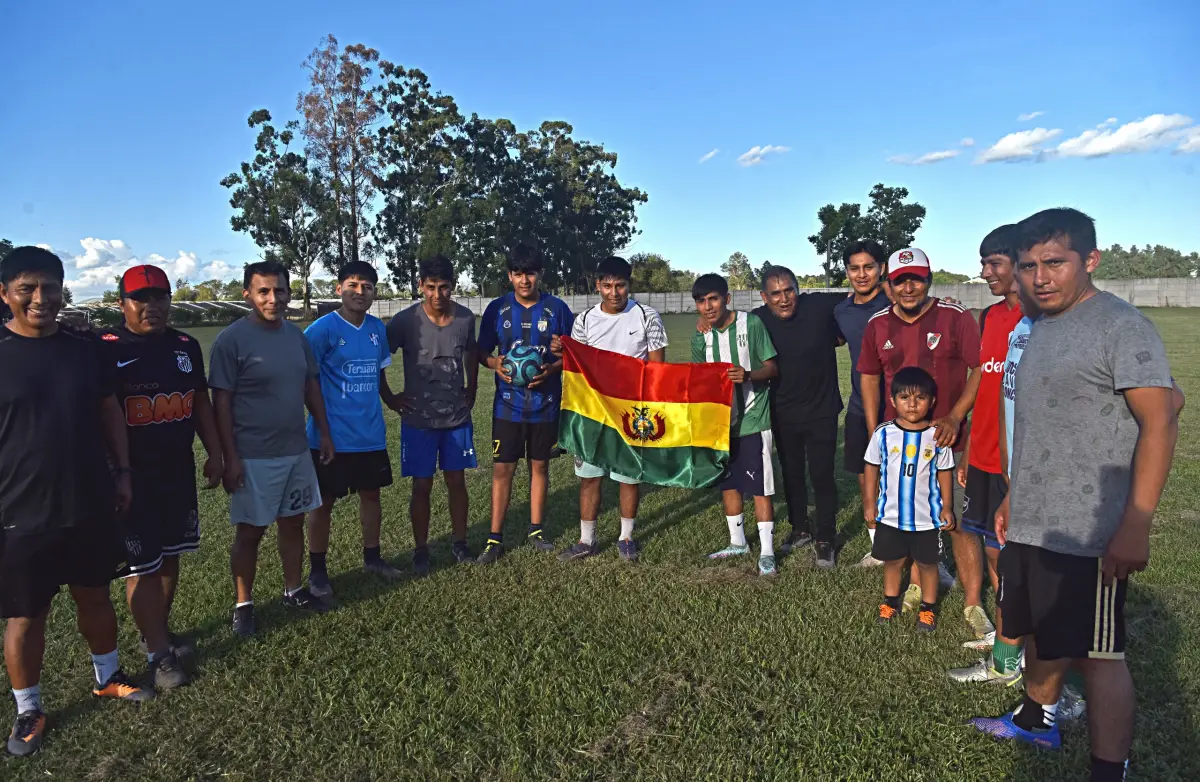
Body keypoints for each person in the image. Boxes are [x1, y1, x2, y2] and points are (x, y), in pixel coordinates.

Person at [971, 209, 1180, 782]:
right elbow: (1036, 420)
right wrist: (1016, 494)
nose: (1040, 278)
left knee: (1099, 656)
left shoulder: (1120, 325)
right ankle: (1036, 718)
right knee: (1038, 627)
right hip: (1035, 516)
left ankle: (1109, 771)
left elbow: (1163, 416)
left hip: (1091, 529)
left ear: (1090, 261)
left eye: (1055, 264)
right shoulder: (1039, 325)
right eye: (1031, 265)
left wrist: (1135, 520)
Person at [1, 247, 152, 758]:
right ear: (5, 295)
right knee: (27, 615)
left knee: (95, 594)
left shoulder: (85, 350)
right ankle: (29, 709)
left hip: (89, 497)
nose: (40, 298)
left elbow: (110, 411)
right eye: (27, 288)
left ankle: (107, 677)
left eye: (50, 287)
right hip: (20, 511)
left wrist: (124, 471)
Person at [101, 265, 223, 690]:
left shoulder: (186, 346)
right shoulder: (106, 347)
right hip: (131, 479)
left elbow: (200, 403)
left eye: (160, 297)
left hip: (177, 471)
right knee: (142, 565)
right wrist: (118, 473)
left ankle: (157, 632)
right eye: (140, 298)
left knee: (170, 557)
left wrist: (215, 451)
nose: (151, 306)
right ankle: (158, 654)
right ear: (122, 304)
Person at [209, 261, 335, 637]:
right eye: (263, 291)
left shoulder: (295, 336)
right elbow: (222, 403)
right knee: (250, 532)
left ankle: (293, 589)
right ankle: (243, 605)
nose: (273, 298)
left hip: (295, 449)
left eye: (280, 290)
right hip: (253, 455)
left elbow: (310, 387)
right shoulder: (231, 340)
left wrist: (324, 432)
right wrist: (230, 456)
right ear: (247, 293)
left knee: (292, 522)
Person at [858, 247, 980, 615]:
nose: (909, 287)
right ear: (889, 284)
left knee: (955, 518)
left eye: (916, 279)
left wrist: (955, 416)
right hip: (899, 441)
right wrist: (874, 429)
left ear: (928, 279)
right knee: (907, 515)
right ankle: (916, 583)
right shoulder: (878, 324)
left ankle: (973, 601)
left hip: (946, 439)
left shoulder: (955, 317)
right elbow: (868, 375)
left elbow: (980, 370)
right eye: (900, 280)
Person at [555, 256, 668, 563]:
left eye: (620, 285)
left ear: (629, 285)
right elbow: (576, 367)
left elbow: (657, 368)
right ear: (597, 286)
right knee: (590, 477)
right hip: (593, 414)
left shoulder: (647, 315)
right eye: (607, 285)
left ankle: (626, 537)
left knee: (629, 476)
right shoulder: (585, 321)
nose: (614, 292)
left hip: (632, 413)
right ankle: (586, 539)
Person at [303, 261, 401, 598]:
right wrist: (323, 430)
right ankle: (318, 572)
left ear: (375, 292)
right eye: (353, 285)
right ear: (339, 288)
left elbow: (379, 375)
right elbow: (307, 381)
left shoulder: (377, 329)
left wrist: (392, 401)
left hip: (369, 433)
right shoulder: (321, 330)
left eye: (367, 287)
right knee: (323, 502)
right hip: (329, 436)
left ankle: (372, 558)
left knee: (371, 494)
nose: (360, 292)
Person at [475, 242, 575, 565]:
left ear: (540, 275)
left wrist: (553, 366)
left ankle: (536, 530)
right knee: (503, 469)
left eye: (529, 273)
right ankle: (495, 537)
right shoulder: (497, 310)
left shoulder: (557, 309)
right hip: (507, 406)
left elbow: (574, 354)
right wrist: (496, 365)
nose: (524, 280)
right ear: (509, 275)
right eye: (517, 274)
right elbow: (480, 352)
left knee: (540, 466)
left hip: (545, 405)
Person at [385, 255, 479, 575]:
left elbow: (471, 352)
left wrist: (473, 388)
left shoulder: (465, 318)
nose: (437, 295)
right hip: (419, 420)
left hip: (455, 419)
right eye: (430, 287)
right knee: (421, 486)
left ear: (453, 286)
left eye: (444, 287)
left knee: (457, 482)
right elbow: (378, 356)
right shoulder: (404, 321)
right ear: (420, 286)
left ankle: (460, 542)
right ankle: (421, 549)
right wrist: (390, 398)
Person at [691, 274, 780, 576]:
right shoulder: (699, 337)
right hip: (720, 425)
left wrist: (749, 375)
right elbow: (699, 382)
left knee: (760, 486)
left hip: (754, 419)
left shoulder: (750, 324)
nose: (708, 306)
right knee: (729, 483)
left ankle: (767, 550)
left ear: (727, 299)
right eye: (701, 301)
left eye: (713, 299)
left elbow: (771, 367)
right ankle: (738, 541)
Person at [863, 366, 956, 633]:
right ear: (892, 401)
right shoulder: (883, 433)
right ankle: (889, 602)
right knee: (892, 562)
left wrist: (947, 506)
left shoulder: (937, 436)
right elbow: (871, 466)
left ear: (932, 401)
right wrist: (869, 502)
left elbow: (944, 472)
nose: (912, 404)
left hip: (926, 519)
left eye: (920, 398)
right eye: (904, 398)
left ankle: (927, 609)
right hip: (890, 516)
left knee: (928, 564)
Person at [833, 240, 894, 568]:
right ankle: (878, 548)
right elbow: (835, 338)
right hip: (859, 406)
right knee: (865, 475)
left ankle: (923, 547)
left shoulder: (897, 301)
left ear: (881, 268)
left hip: (900, 408)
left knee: (906, 478)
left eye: (868, 267)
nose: (861, 274)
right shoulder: (842, 311)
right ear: (846, 272)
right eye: (854, 268)